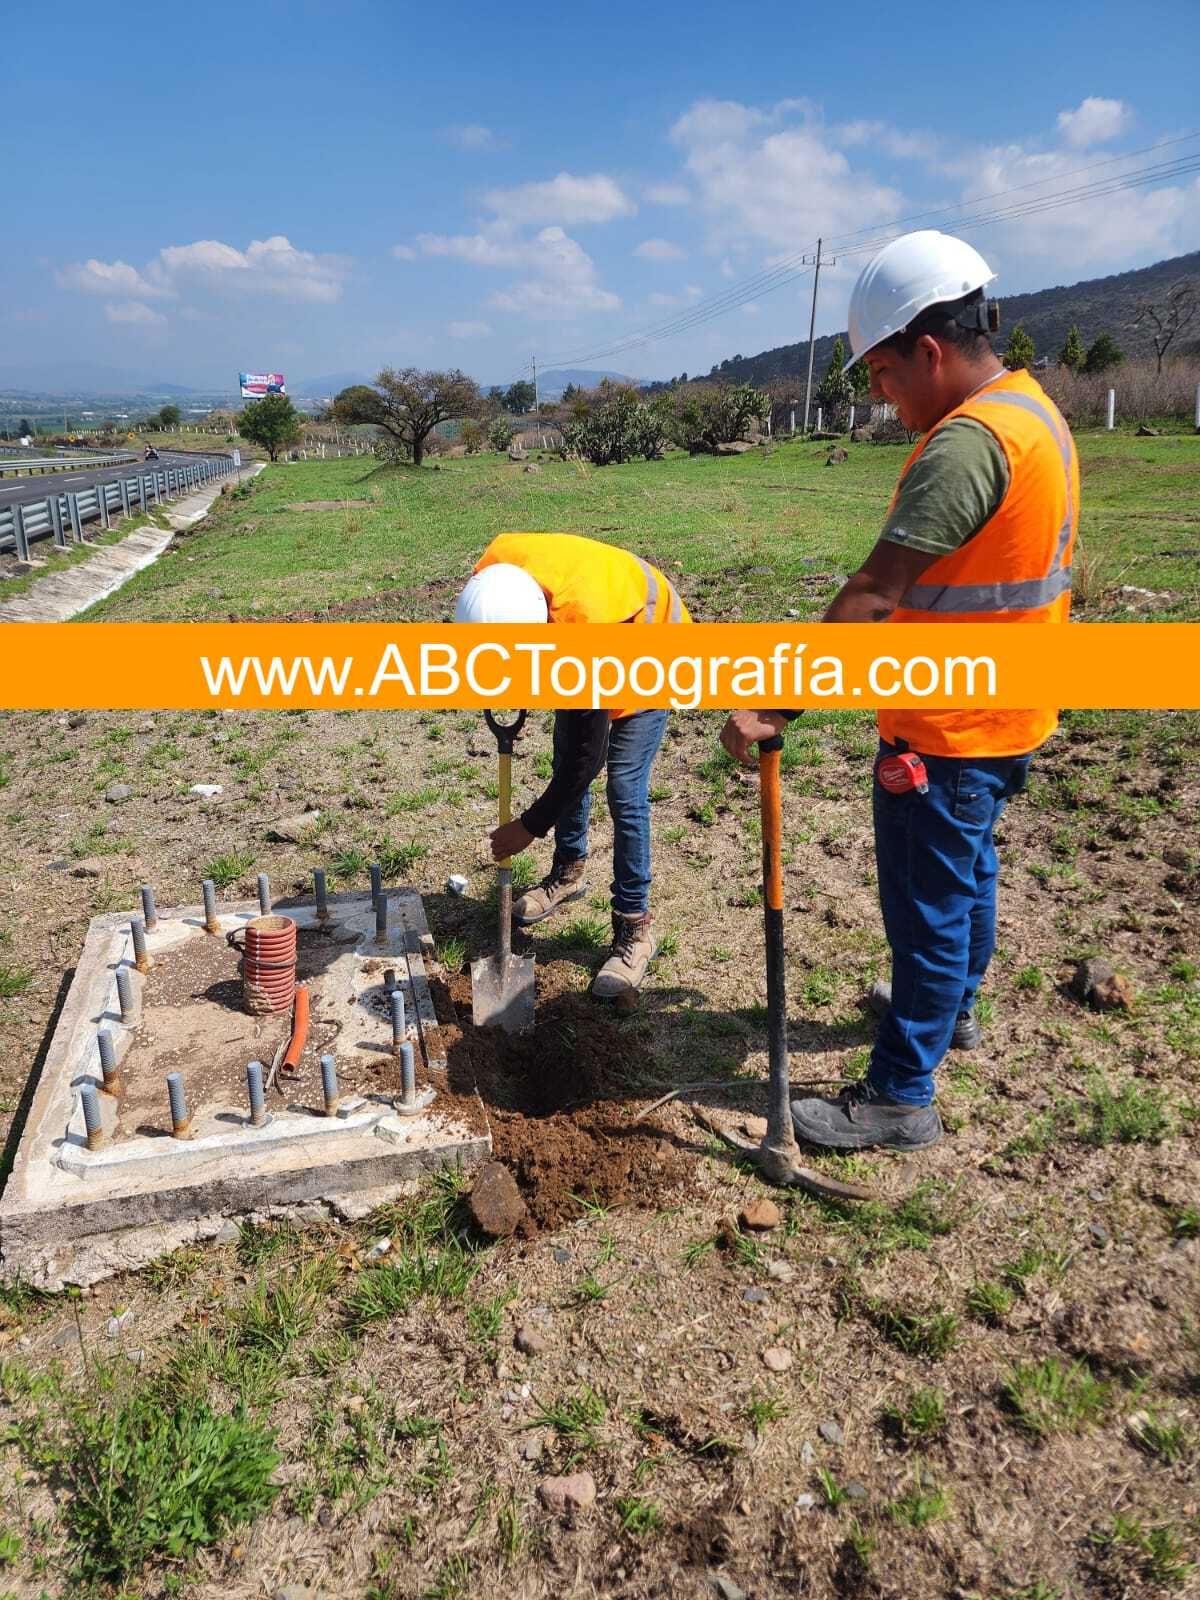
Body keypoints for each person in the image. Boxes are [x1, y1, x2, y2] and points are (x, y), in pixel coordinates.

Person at [722, 230, 1078, 1152]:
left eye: (881, 373)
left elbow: (876, 595)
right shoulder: (1033, 412)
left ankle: (898, 1093)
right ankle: (948, 1007)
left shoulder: (968, 446)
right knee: (966, 883)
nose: (879, 395)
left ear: (930, 349)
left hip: (948, 726)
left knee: (926, 906)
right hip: (1009, 710)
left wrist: (777, 699)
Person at [455, 532, 690, 1000]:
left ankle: (634, 928)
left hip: (654, 637)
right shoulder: (492, 579)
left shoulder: (584, 634)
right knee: (565, 756)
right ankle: (568, 871)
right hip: (597, 626)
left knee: (623, 789)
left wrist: (529, 825)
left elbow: (588, 758)